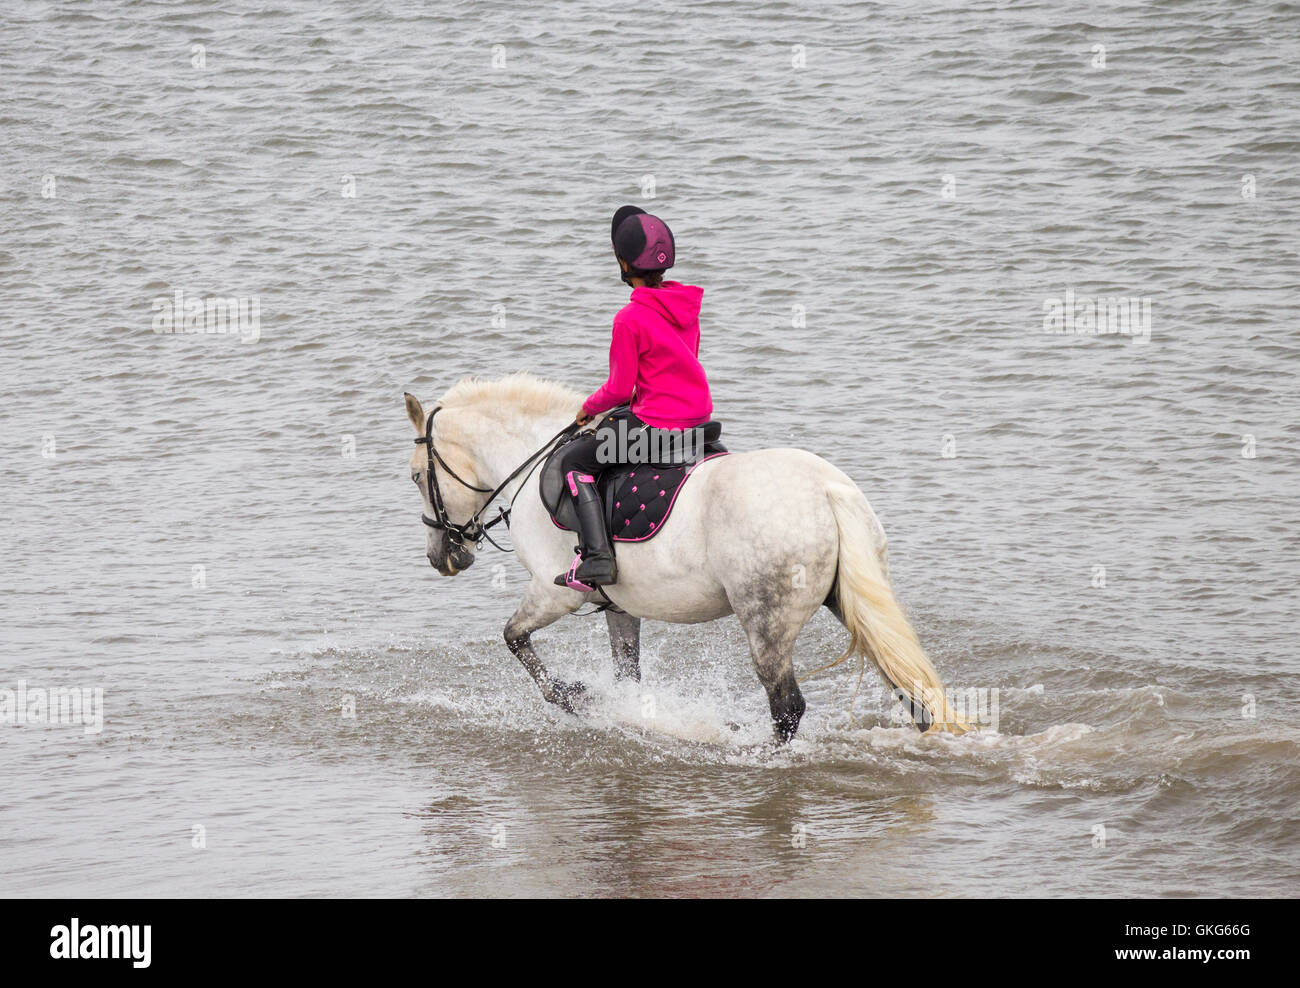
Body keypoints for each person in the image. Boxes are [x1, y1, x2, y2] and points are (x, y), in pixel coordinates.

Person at [553, 205, 713, 590]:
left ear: (624, 263)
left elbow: (619, 389)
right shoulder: (685, 306)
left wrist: (586, 409)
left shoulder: (629, 318)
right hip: (699, 420)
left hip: (657, 426)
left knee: (574, 463)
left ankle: (596, 558)